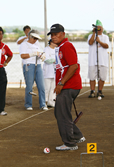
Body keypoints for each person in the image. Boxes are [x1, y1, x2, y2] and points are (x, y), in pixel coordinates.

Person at [47, 23, 85, 151]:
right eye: (52, 35)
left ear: (63, 34)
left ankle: (70, 143)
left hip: (69, 86)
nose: (53, 37)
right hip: (68, 86)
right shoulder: (61, 47)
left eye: (56, 34)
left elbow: (73, 66)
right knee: (61, 113)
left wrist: (61, 83)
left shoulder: (66, 46)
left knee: (62, 114)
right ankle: (77, 135)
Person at [19, 30, 48, 111]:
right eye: (34, 38)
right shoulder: (24, 44)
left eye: (37, 39)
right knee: (29, 86)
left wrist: (42, 55)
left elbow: (40, 52)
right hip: (29, 65)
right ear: (30, 37)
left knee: (41, 86)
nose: (35, 40)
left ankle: (42, 104)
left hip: (38, 65)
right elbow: (22, 55)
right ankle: (28, 104)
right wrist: (33, 54)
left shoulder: (37, 44)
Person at [87, 20, 109, 98]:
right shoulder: (91, 36)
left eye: (100, 28)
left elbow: (107, 46)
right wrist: (94, 33)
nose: (99, 29)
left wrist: (99, 41)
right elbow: (90, 43)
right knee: (92, 77)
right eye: (97, 28)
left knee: (102, 77)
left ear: (102, 28)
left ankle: (100, 91)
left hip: (103, 60)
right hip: (93, 60)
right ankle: (92, 91)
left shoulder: (105, 37)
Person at [43, 39, 57, 107]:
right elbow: (46, 60)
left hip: (55, 72)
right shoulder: (46, 49)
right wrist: (54, 60)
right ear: (51, 43)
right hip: (47, 72)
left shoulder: (56, 49)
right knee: (46, 88)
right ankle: (44, 102)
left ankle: (51, 101)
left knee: (53, 88)